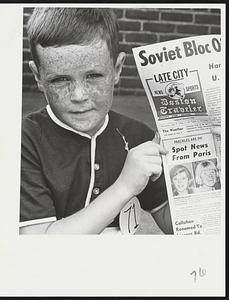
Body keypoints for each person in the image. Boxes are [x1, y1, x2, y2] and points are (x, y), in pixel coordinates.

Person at [20, 8, 173, 234]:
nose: (79, 95)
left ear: (117, 68)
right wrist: (124, 187)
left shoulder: (137, 136)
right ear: (38, 77)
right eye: (60, 80)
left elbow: (178, 226)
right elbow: (38, 246)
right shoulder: (25, 139)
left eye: (93, 76)